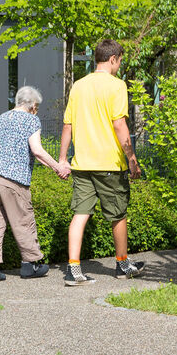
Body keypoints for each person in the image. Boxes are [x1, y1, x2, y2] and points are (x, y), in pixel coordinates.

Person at [58, 39, 145, 286]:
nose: (119, 66)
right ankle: (122, 264)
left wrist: (63, 159)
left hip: (82, 164)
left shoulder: (78, 86)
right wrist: (132, 159)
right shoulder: (117, 86)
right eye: (120, 61)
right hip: (109, 164)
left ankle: (74, 270)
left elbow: (68, 125)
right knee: (118, 215)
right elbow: (120, 124)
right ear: (113, 59)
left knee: (80, 214)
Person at [0, 86, 69, 283]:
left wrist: (51, 166)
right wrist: (59, 167)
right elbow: (37, 150)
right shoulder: (31, 119)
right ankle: (31, 264)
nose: (36, 110)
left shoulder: (2, 117)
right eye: (36, 107)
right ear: (32, 105)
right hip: (12, 179)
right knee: (23, 221)